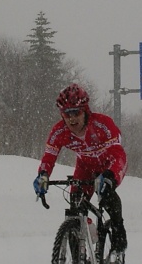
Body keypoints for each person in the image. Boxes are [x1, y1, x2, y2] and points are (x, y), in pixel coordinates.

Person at [33, 83, 128, 254]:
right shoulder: (59, 131)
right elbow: (49, 157)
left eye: (76, 112)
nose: (71, 119)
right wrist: (43, 175)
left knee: (106, 195)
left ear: (85, 111)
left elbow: (118, 155)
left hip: (109, 165)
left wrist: (111, 176)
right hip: (85, 167)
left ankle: (118, 229)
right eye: (66, 114)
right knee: (75, 206)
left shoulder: (102, 124)